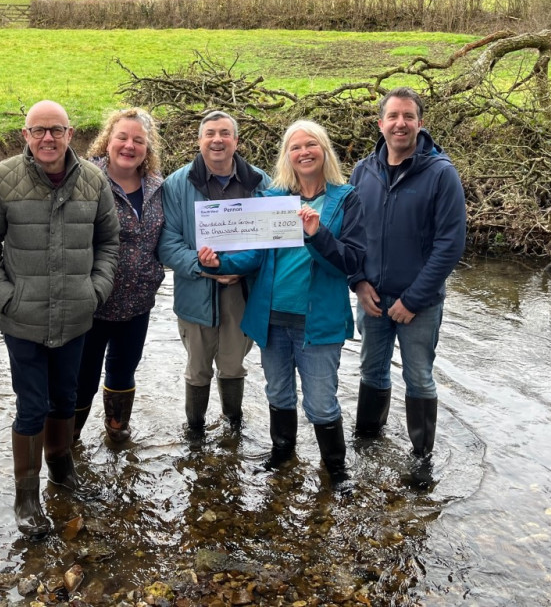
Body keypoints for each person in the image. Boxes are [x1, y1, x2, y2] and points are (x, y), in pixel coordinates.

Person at [0, 100, 119, 538]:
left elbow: (109, 242)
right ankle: (26, 496)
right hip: (24, 319)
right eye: (39, 131)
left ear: (71, 134)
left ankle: (62, 469)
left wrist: (94, 291)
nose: (47, 138)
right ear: (26, 136)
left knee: (66, 396)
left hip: (76, 315)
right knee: (30, 405)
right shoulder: (1, 179)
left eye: (56, 130)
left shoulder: (94, 180)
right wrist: (4, 298)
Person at [197, 121, 365, 490]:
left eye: (311, 145)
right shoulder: (272, 200)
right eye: (295, 147)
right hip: (271, 319)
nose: (304, 152)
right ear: (287, 157)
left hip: (318, 322)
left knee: (321, 401)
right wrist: (218, 263)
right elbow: (254, 256)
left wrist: (317, 234)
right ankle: (282, 453)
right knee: (278, 392)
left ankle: (336, 469)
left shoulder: (346, 198)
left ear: (324, 151)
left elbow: (351, 263)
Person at [349, 86, 466, 481]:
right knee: (371, 370)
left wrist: (413, 300)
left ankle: (421, 459)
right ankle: (366, 441)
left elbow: (450, 245)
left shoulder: (441, 174)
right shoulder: (362, 171)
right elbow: (352, 235)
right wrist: (359, 284)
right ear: (380, 124)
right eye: (393, 116)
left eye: (409, 117)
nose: (401, 124)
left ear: (420, 123)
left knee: (418, 376)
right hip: (373, 299)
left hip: (420, 304)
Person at [158, 110, 270, 440]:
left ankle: (233, 425)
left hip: (242, 291)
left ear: (236, 141)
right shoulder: (177, 184)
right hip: (196, 289)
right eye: (210, 133)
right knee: (197, 367)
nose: (217, 140)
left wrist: (241, 268)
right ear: (199, 140)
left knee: (234, 363)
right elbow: (167, 243)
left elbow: (271, 240)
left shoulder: (260, 182)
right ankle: (194, 432)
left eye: (224, 133)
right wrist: (200, 264)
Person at [74, 108, 165, 444]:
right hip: (92, 303)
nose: (129, 145)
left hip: (138, 303)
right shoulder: (84, 177)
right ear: (107, 140)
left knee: (124, 370)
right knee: (83, 378)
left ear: (148, 147)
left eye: (138, 140)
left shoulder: (158, 185)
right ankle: (70, 442)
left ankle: (116, 431)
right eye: (122, 137)